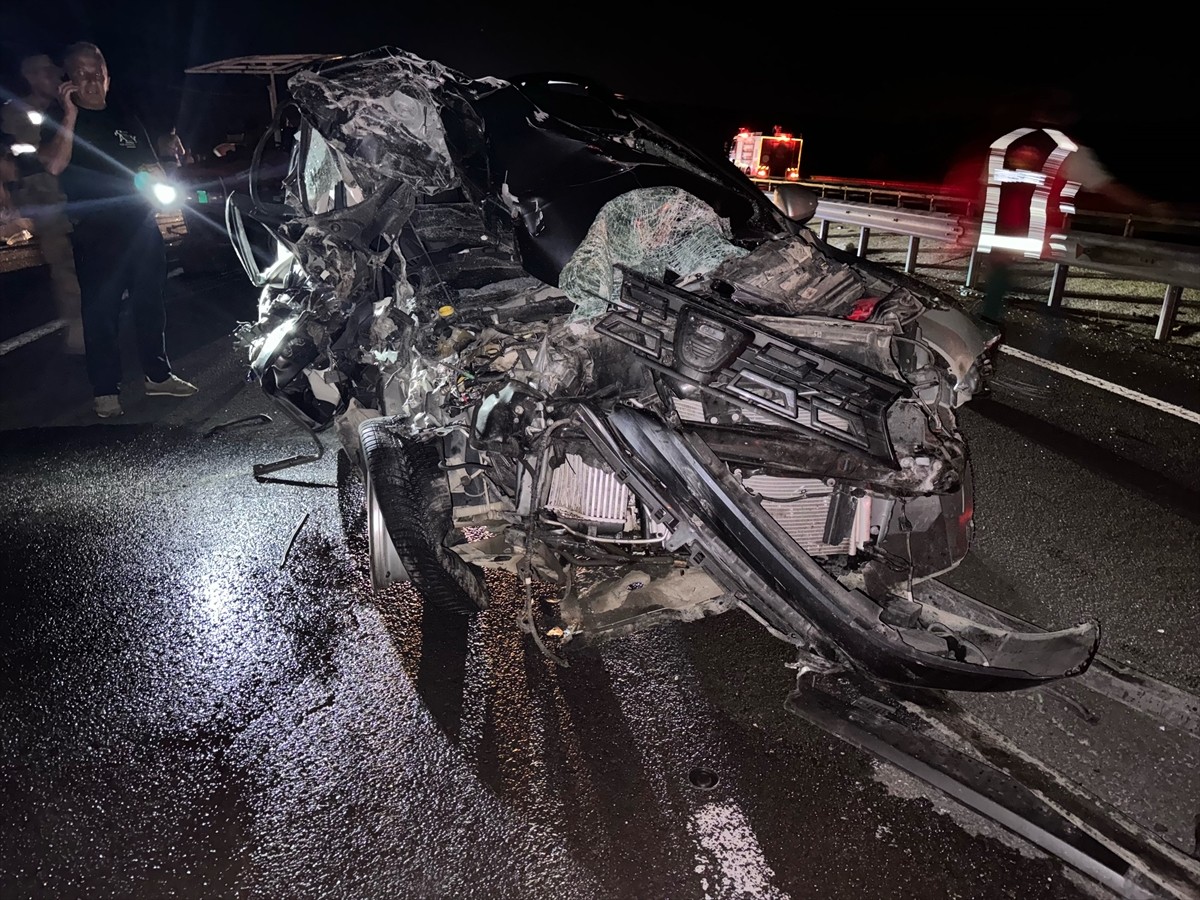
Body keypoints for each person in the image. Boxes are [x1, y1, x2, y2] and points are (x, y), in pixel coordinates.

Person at [39, 41, 197, 418]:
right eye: (82, 74)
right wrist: (70, 115)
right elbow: (54, 165)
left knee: (150, 303)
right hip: (95, 229)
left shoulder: (125, 113)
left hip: (139, 224)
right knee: (100, 312)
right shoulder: (58, 116)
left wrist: (157, 167)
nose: (92, 80)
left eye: (98, 73)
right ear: (69, 79)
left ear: (108, 77)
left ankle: (158, 376)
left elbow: (142, 162)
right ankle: (105, 389)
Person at [0, 54, 85, 352]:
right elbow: (25, 159)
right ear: (31, 77)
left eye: (54, 73)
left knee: (89, 261)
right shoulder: (18, 111)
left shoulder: (61, 107)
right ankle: (79, 334)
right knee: (66, 266)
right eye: (46, 74)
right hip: (43, 199)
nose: (54, 78)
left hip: (72, 196)